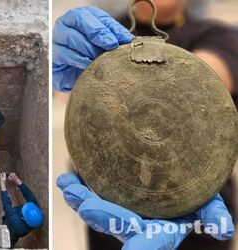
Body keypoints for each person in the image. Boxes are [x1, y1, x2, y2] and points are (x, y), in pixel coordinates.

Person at [53, 1, 238, 249]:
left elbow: (210, 80)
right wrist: (57, 65)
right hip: (113, 205)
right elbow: (65, 94)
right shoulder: (99, 30)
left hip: (197, 211)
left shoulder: (215, 33)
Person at [0, 172, 43, 248]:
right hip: (12, 226)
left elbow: (7, 206)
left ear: (23, 218)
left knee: (6, 242)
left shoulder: (17, 224)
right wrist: (17, 180)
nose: (24, 207)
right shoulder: (35, 211)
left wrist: (2, 184)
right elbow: (29, 195)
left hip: (9, 234)